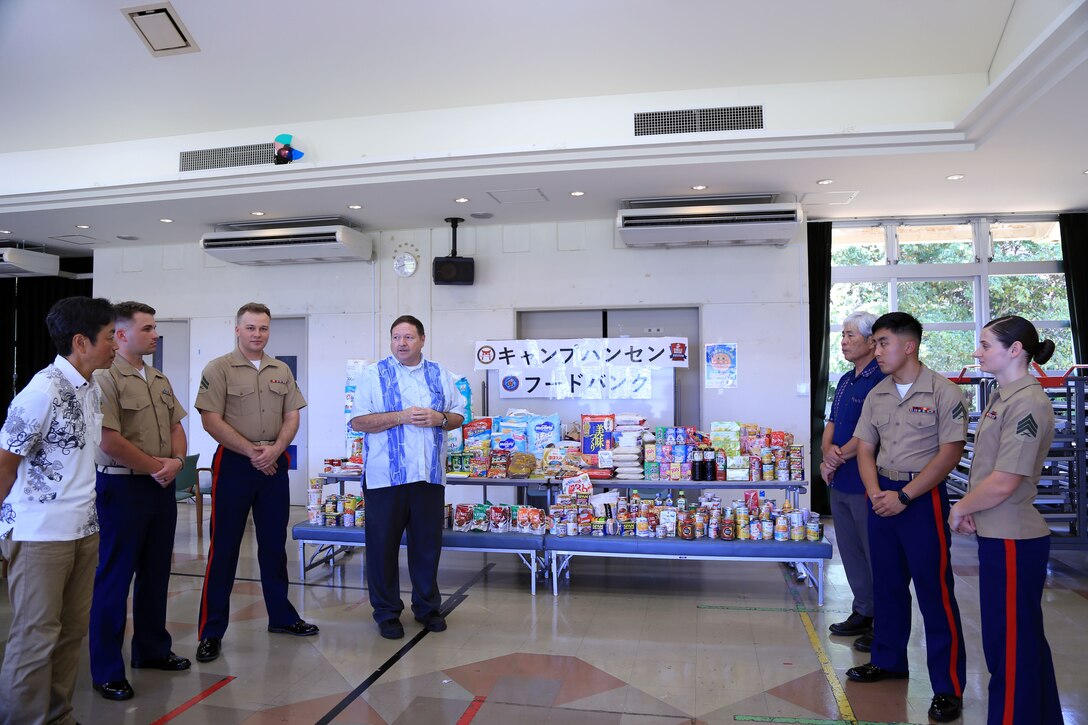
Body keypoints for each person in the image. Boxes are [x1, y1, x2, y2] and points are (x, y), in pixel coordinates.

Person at [846, 311, 968, 724]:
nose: (876, 350)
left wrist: (904, 495)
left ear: (909, 345)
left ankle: (948, 687)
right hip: (882, 496)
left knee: (935, 594)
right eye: (876, 343)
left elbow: (949, 453)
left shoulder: (943, 393)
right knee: (888, 586)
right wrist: (876, 492)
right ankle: (888, 660)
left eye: (882, 342)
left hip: (921, 501)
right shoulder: (877, 393)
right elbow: (864, 447)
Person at [0, 296, 116, 725]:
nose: (115, 345)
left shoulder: (91, 389)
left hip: (83, 530)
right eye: (109, 337)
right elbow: (4, 465)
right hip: (39, 535)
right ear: (81, 342)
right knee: (34, 639)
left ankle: (57, 715)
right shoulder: (41, 391)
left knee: (70, 635)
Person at [948, 316, 1064, 724]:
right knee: (1020, 638)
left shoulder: (1027, 402)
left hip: (1013, 536)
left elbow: (1005, 481)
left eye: (985, 345)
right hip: (998, 532)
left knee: (1010, 644)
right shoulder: (1004, 395)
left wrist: (961, 507)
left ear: (1015, 350)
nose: (977, 353)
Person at [194, 302, 317, 664]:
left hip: (274, 464)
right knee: (224, 549)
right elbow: (210, 421)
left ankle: (281, 616)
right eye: (250, 328)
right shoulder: (217, 369)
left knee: (273, 546)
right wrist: (252, 452)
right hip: (234, 464)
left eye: (263, 328)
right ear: (237, 330)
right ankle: (211, 632)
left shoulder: (281, 370)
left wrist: (276, 450)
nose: (257, 334)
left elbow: (292, 415)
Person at [88, 302, 190, 702]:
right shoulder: (103, 378)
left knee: (155, 575)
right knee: (114, 580)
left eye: (155, 327)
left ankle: (152, 650)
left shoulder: (158, 377)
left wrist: (176, 462)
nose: (155, 334)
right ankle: (107, 669)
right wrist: (155, 466)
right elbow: (108, 440)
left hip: (158, 487)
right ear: (121, 334)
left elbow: (177, 427)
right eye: (147, 328)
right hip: (122, 489)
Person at [350, 315, 465, 640]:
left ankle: (427, 608)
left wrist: (439, 418)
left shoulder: (440, 373)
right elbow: (358, 422)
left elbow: (459, 415)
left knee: (427, 547)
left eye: (408, 337)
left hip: (428, 477)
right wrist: (399, 417)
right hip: (384, 478)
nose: (402, 343)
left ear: (422, 340)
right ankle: (386, 613)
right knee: (382, 547)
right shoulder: (373, 374)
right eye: (396, 337)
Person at [820, 310, 885, 652]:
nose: (843, 342)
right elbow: (832, 423)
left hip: (865, 480)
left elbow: (869, 434)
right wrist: (827, 453)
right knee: (850, 551)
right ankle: (863, 610)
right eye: (842, 335)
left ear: (872, 340)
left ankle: (884, 619)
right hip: (840, 479)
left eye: (850, 336)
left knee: (875, 551)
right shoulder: (846, 380)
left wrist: (838, 455)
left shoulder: (880, 380)